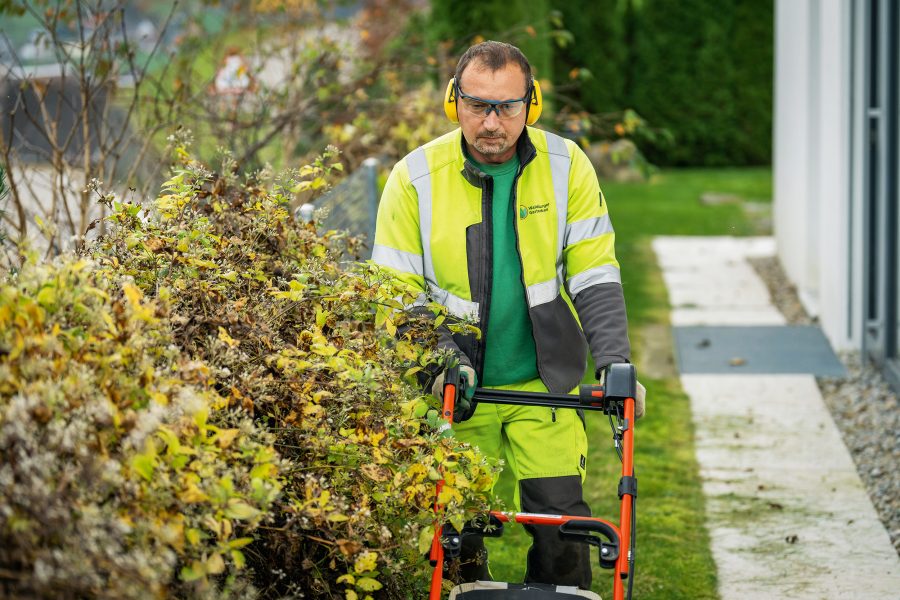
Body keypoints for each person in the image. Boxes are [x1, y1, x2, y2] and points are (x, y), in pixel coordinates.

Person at [371, 41, 644, 589]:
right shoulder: (414, 179)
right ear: (454, 102)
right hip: (456, 394)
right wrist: (441, 357)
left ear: (532, 105)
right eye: (477, 105)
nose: (492, 122)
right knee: (457, 538)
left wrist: (615, 361)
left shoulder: (566, 166)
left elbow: (593, 270)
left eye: (507, 107)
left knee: (564, 530)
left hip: (543, 389)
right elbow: (393, 293)